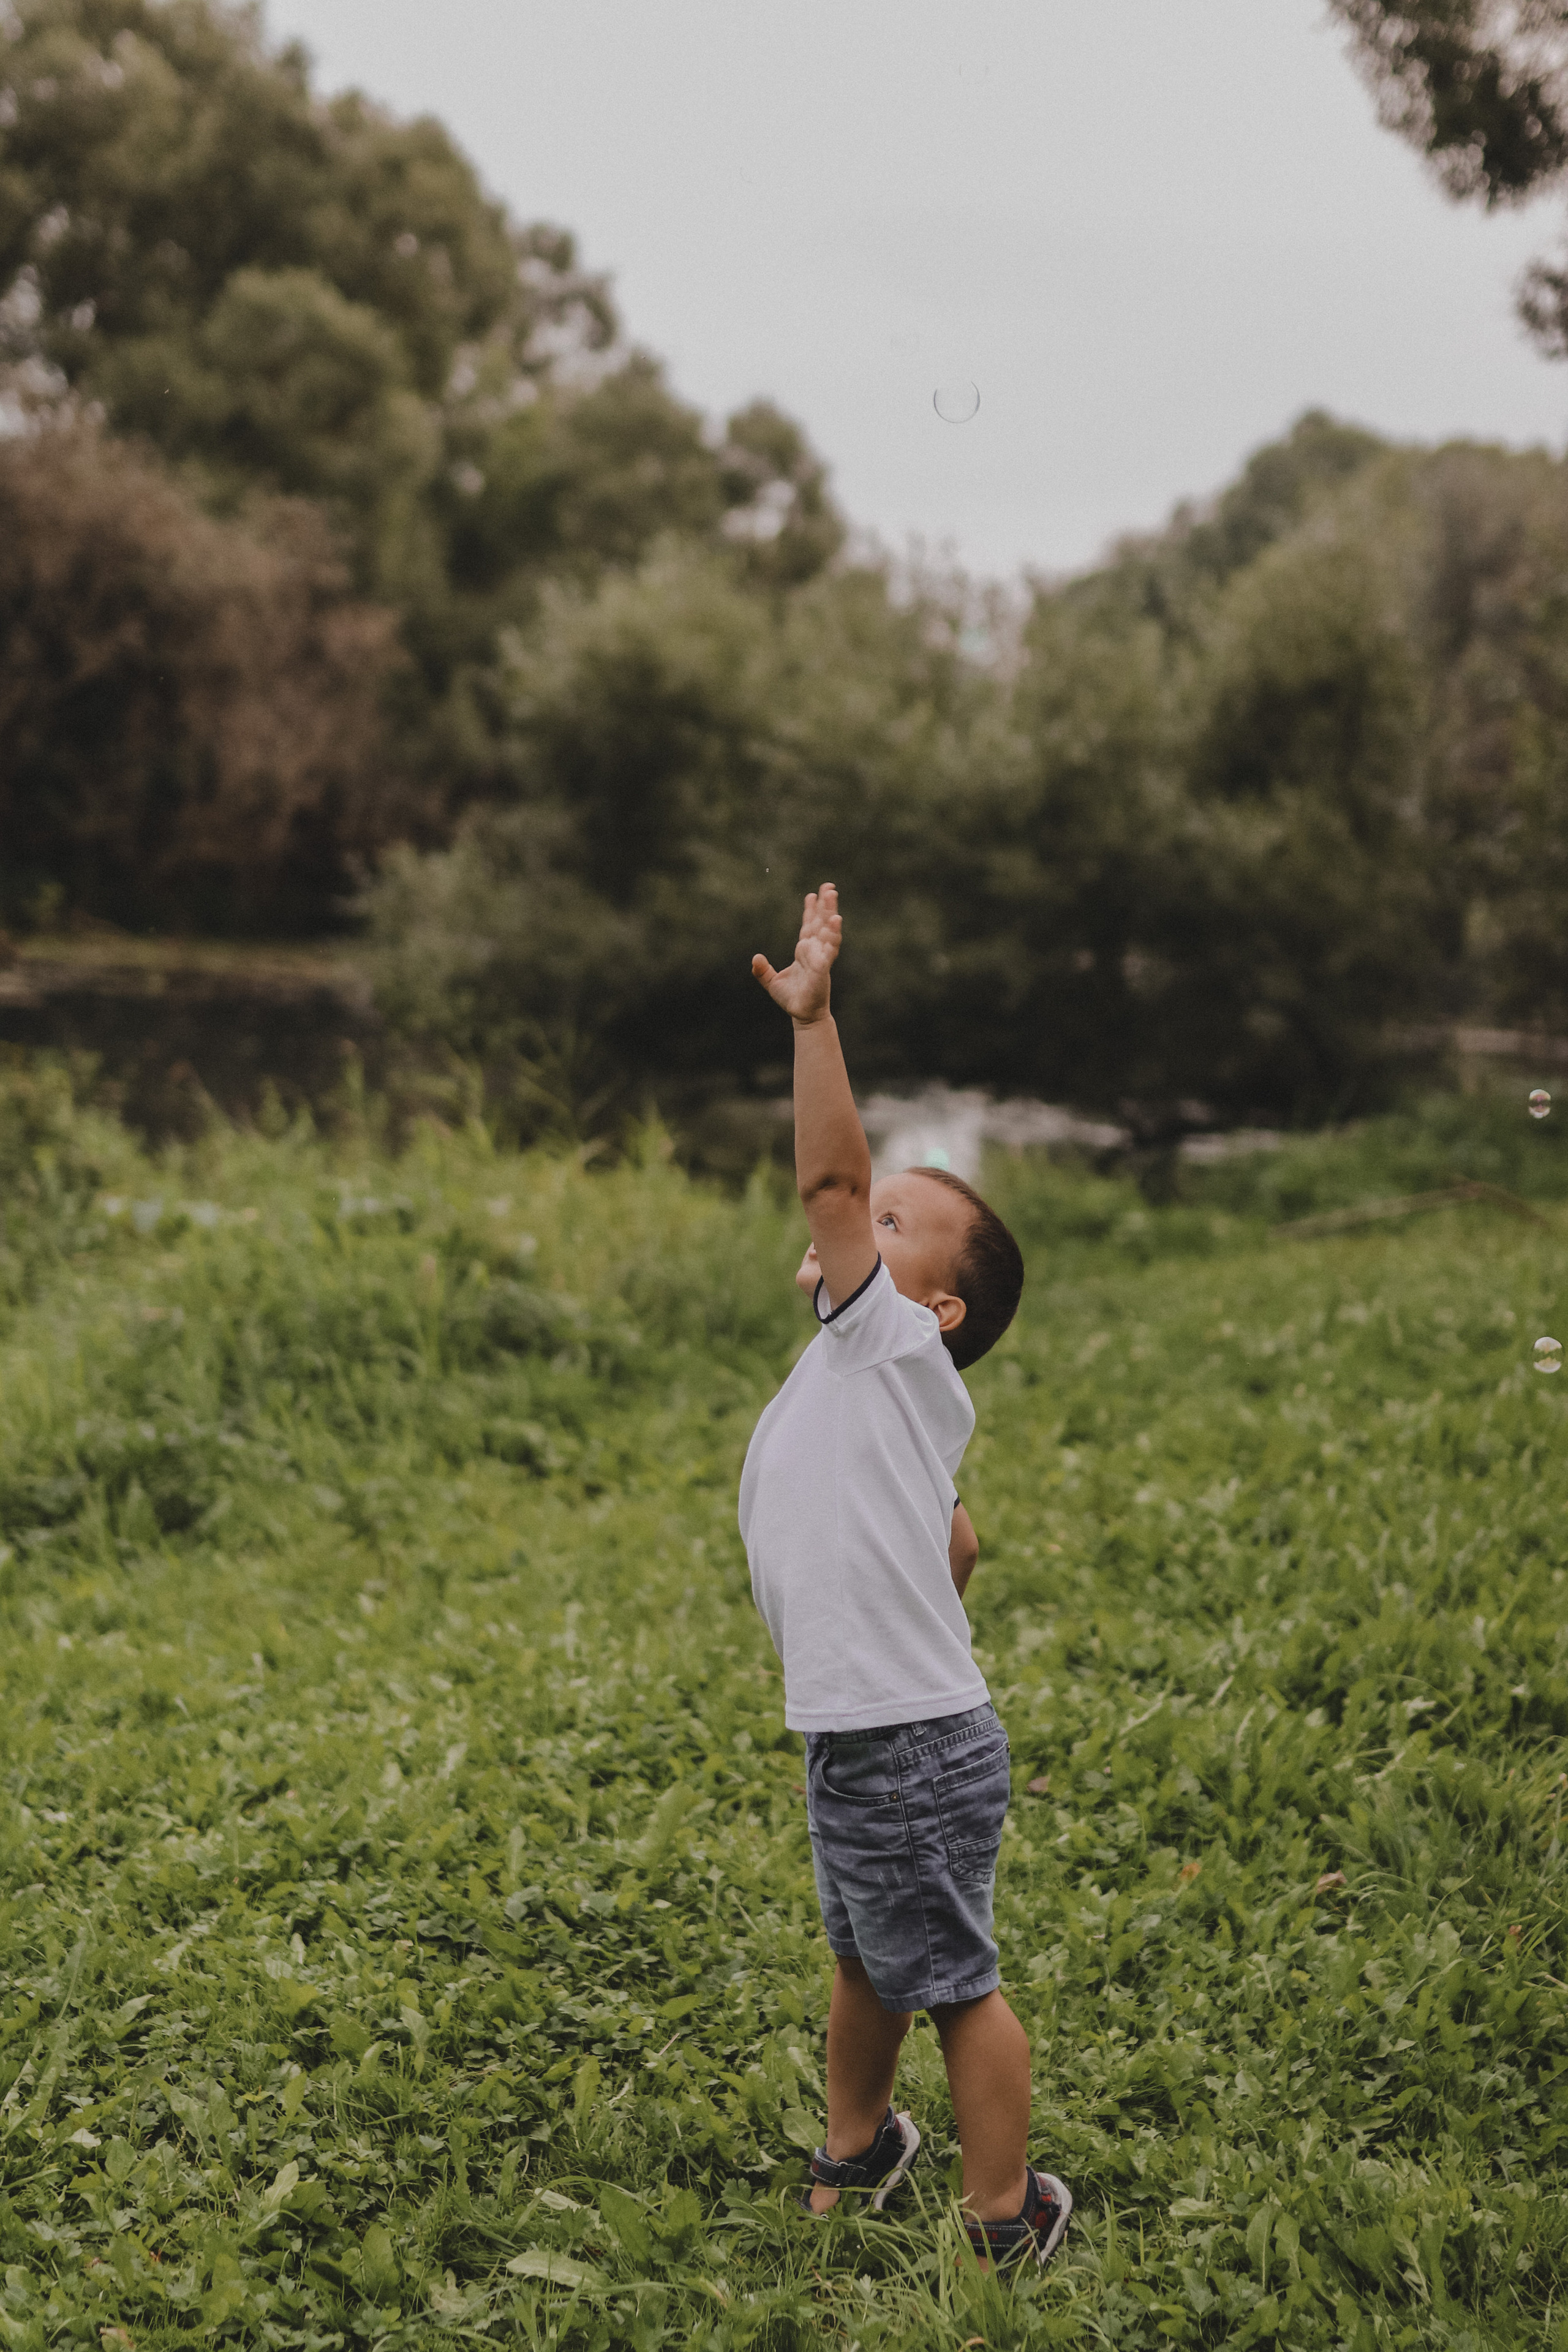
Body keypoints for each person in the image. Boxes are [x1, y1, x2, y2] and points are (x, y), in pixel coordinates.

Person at [738, 883, 1072, 2271]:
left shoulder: (884, 1348)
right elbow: (956, 1540)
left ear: (929, 1308)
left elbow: (823, 1177)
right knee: (865, 1958)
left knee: (951, 1984)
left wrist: (814, 1024)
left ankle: (1003, 2225)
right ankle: (860, 2144)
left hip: (903, 1738)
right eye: (865, 1217)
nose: (850, 1225)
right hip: (864, 1730)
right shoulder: (874, 1379)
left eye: (885, 1222)